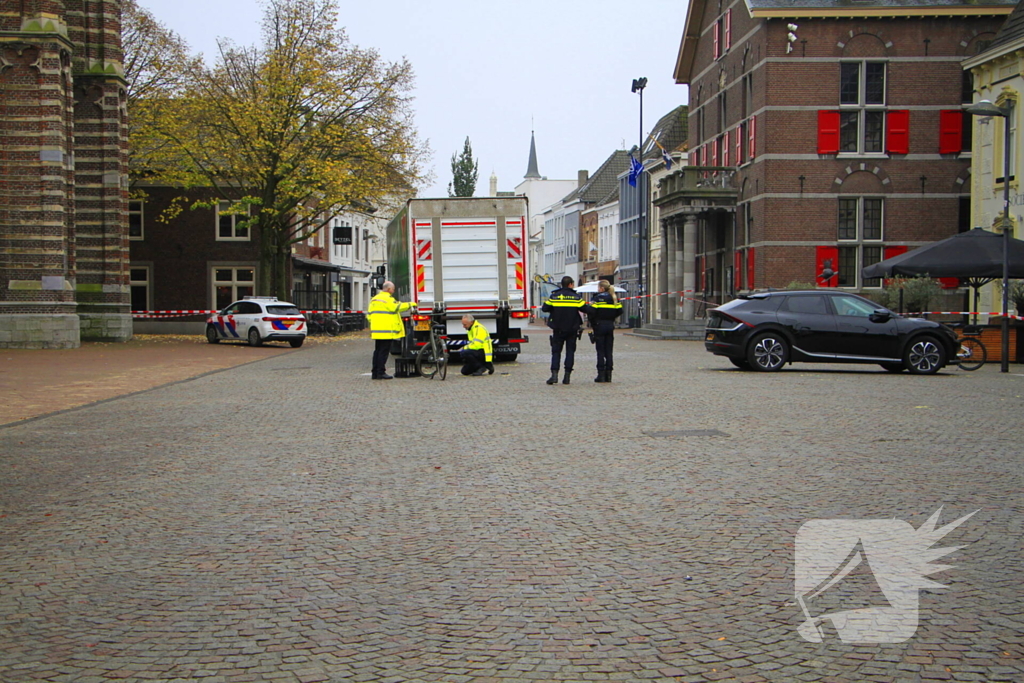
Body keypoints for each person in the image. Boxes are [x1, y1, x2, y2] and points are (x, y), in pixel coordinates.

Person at [541, 275, 592, 385]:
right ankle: (567, 376)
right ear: (570, 284)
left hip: (558, 329)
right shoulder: (576, 297)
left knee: (556, 352)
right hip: (572, 329)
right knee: (570, 352)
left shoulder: (554, 296)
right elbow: (586, 309)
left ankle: (554, 375)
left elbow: (545, 308)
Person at [367, 281, 416, 380]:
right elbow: (397, 307)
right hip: (386, 330)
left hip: (377, 330)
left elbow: (369, 315)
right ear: (389, 289)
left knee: (377, 351)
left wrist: (376, 323)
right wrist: (411, 304)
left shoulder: (374, 299)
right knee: (383, 352)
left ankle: (375, 373)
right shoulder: (388, 299)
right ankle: (381, 373)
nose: (393, 291)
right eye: (393, 289)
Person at [588, 280, 623, 383]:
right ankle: (609, 374)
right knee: (609, 351)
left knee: (600, 351)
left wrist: (593, 323)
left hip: (599, 326)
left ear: (602, 288)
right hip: (609, 326)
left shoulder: (597, 298)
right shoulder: (614, 298)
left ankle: (601, 374)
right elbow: (620, 311)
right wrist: (611, 318)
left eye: (598, 288)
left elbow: (591, 312)